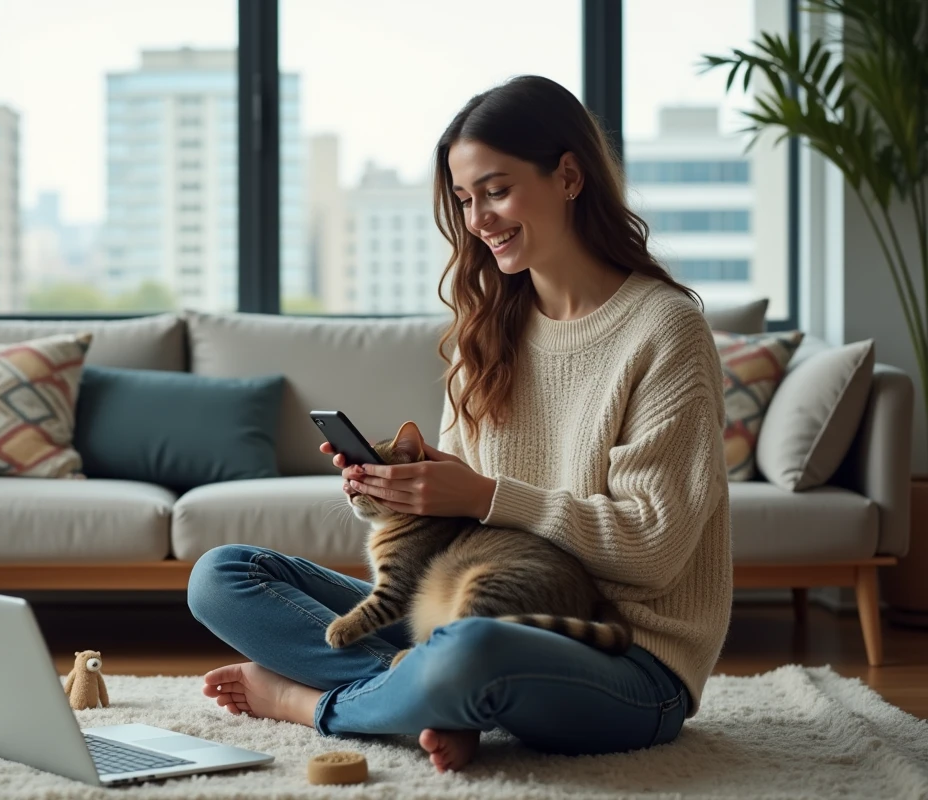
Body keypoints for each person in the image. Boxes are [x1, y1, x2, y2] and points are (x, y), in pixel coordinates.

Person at [186, 74, 732, 773]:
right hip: (472, 612)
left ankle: (312, 702)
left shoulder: (665, 331)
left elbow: (652, 550)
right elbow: (454, 545)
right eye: (465, 199)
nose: (478, 220)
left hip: (625, 660)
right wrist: (397, 497)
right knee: (223, 575)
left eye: (496, 191)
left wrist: (484, 495)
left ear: (569, 176)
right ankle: (436, 696)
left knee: (470, 653)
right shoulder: (487, 331)